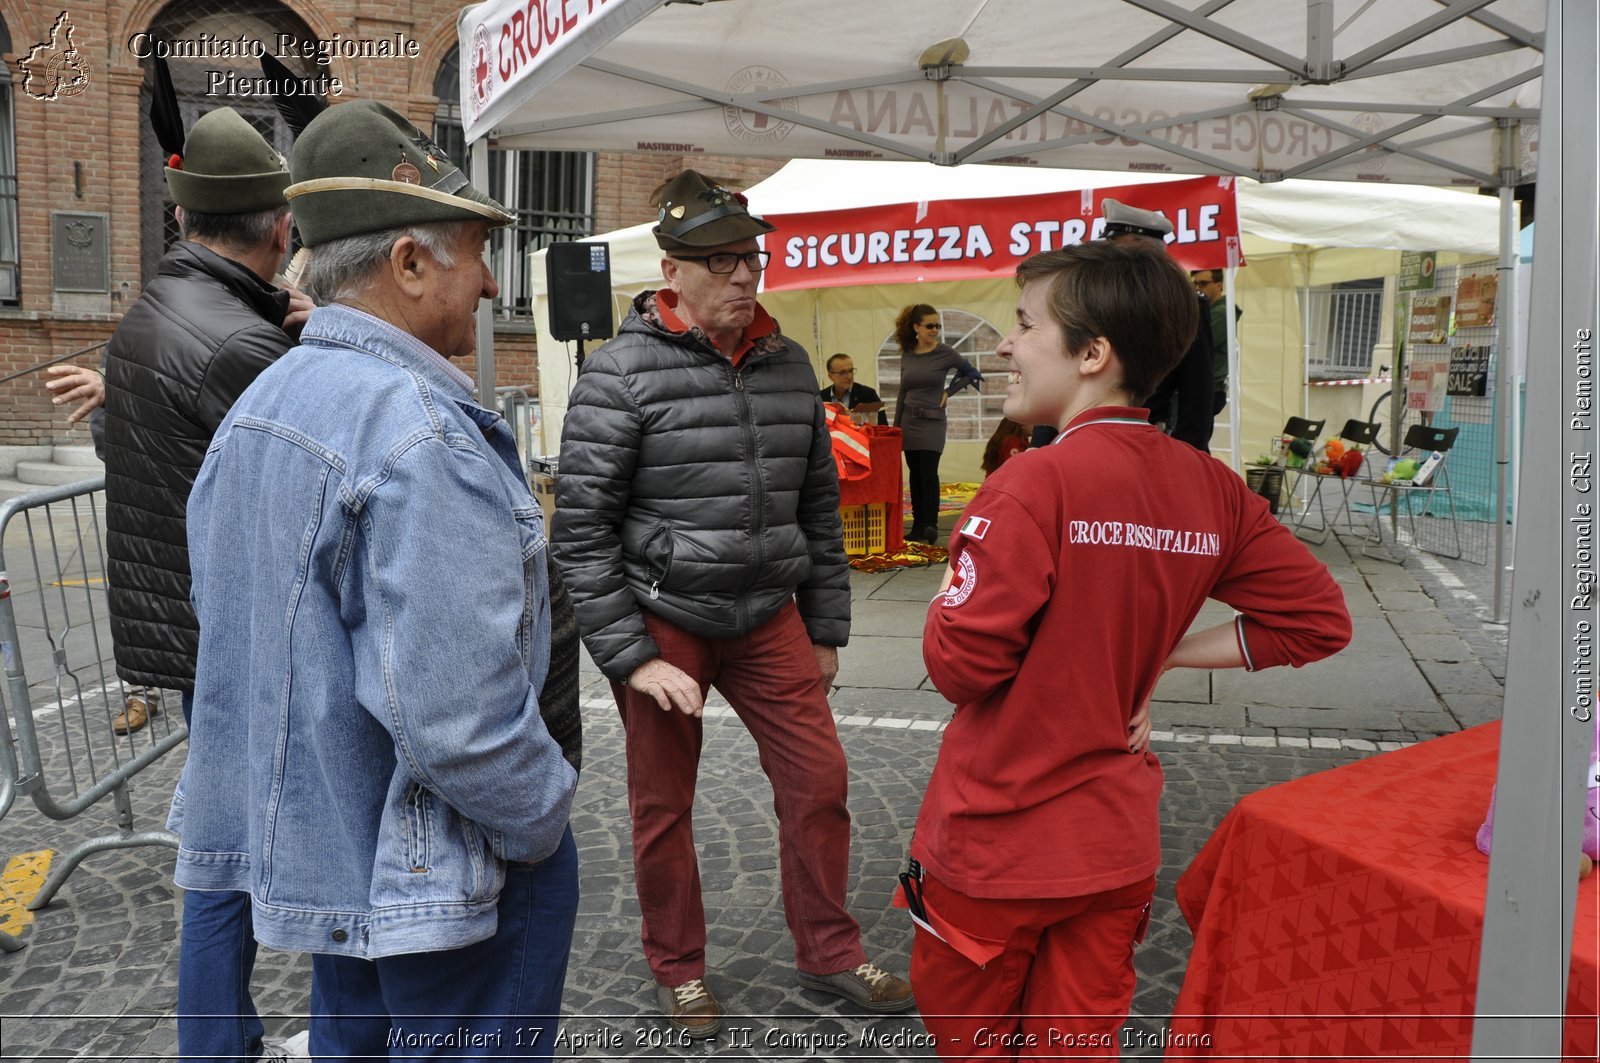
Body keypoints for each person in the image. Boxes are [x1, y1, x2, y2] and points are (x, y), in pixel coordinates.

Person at [180, 100, 579, 1060]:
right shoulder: (420, 435)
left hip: (347, 860)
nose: (490, 283)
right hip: (436, 879)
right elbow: (459, 721)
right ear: (406, 262)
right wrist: (545, 819)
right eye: (475, 252)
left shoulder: (264, 403)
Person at [906, 241, 1351, 1058]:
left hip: (995, 844)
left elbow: (959, 668)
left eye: (1023, 324)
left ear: (1092, 354)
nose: (1004, 344)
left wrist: (947, 585)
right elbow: (1318, 619)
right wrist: (1166, 656)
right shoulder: (1210, 484)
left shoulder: (1031, 482)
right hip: (1113, 846)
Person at [553, 169, 914, 1039]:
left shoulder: (789, 364)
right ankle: (677, 966)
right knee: (661, 805)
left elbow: (818, 506)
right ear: (672, 269)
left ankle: (829, 950)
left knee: (820, 783)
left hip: (770, 615)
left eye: (750, 258)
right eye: (721, 261)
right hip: (667, 618)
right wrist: (633, 658)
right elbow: (581, 534)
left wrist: (826, 627)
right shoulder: (619, 373)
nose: (744, 276)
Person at [99, 105, 312, 1062]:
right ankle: (222, 1044)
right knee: (239, 858)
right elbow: (308, 464)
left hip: (188, 626)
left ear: (183, 222)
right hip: (239, 631)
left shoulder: (154, 310)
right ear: (281, 229)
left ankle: (221, 1038)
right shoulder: (240, 344)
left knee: (219, 850)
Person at [1101, 199, 1215, 453]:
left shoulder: (1185, 305)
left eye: (1118, 246)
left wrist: (1191, 453)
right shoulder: (1101, 298)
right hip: (1094, 435)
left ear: (1144, 248)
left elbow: (1198, 389)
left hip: (1147, 441)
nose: (1109, 254)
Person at [892, 303, 982, 544]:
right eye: (930, 326)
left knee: (928, 472)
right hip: (910, 422)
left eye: (937, 326)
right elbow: (902, 391)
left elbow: (972, 373)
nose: (935, 330)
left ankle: (930, 524)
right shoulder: (908, 354)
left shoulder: (946, 353)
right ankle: (918, 526)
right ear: (916, 328)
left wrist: (950, 390)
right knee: (915, 474)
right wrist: (896, 427)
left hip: (933, 422)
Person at [1191, 268, 1239, 415]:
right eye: (1195, 284)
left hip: (1208, 387)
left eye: (1204, 283)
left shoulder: (1221, 312)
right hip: (1204, 385)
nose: (1198, 288)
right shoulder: (1209, 309)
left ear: (1219, 285)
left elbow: (1195, 345)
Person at [820, 352, 887, 425]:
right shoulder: (821, 398)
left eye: (851, 371)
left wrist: (851, 417)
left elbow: (882, 425)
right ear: (830, 376)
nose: (849, 376)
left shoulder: (867, 394)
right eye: (842, 372)